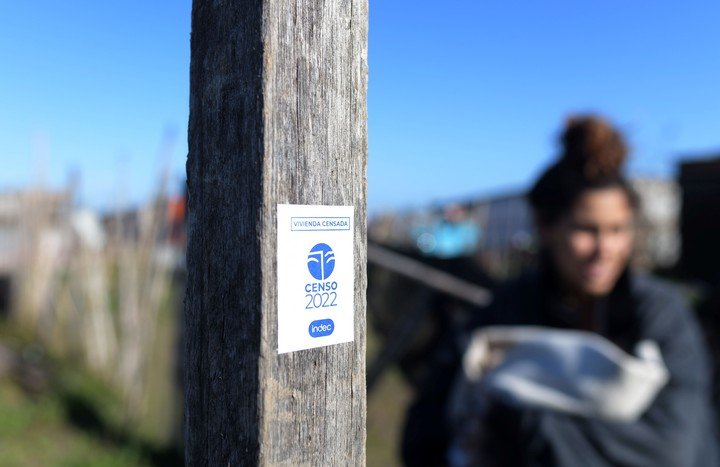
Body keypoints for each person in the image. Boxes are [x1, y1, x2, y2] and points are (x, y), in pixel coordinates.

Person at [401, 115, 719, 466]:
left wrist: (530, 423)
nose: (605, 249)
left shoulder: (659, 314)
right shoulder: (508, 309)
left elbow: (671, 449)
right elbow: (427, 425)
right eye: (587, 229)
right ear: (545, 226)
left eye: (617, 230)